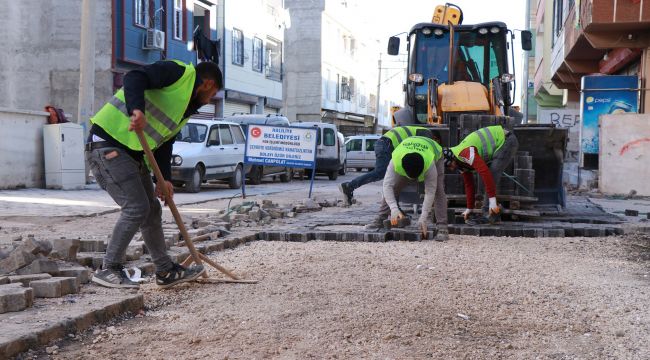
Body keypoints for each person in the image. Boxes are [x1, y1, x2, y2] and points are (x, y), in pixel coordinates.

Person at [85, 60, 223, 289]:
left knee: (152, 210)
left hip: (133, 154)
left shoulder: (185, 107)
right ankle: (108, 268)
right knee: (136, 207)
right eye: (213, 93)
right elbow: (133, 78)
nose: (210, 100)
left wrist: (164, 179)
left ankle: (165, 271)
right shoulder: (179, 73)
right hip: (107, 145)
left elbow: (163, 143)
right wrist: (136, 110)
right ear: (207, 83)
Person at [365, 136, 448, 241]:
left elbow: (430, 191)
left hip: (435, 151)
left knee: (438, 190)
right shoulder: (396, 161)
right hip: (407, 151)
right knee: (394, 186)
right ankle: (381, 218)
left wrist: (424, 217)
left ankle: (442, 227)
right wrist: (394, 208)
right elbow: (387, 186)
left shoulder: (429, 164)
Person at [338, 122, 433, 205]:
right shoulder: (426, 134)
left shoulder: (422, 131)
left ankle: (394, 207)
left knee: (388, 175)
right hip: (386, 145)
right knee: (381, 173)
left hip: (385, 144)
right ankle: (349, 186)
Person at [442, 125, 519, 225]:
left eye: (449, 165)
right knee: (485, 177)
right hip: (500, 143)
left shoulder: (465, 154)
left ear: (452, 159)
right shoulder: (459, 162)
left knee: (491, 173)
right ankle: (492, 213)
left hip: (507, 141)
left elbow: (486, 173)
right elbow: (469, 185)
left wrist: (492, 201)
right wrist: (469, 208)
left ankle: (490, 213)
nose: (451, 168)